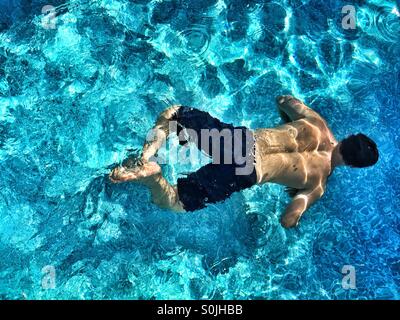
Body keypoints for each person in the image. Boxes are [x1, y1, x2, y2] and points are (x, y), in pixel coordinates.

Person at [109, 95, 379, 228]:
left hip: (242, 142)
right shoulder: (318, 184)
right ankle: (153, 176)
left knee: (174, 114)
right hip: (247, 172)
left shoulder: (316, 123)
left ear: (348, 138)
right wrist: (295, 219)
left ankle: (146, 156)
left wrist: (287, 122)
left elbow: (284, 100)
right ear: (353, 165)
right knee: (174, 201)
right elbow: (288, 218)